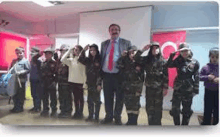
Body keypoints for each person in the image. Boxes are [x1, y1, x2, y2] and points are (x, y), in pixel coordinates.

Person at [100, 23, 132, 125]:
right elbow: (102, 58)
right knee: (107, 97)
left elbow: (132, 51)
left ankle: (117, 116)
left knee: (119, 98)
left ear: (119, 31)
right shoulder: (104, 44)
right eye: (112, 29)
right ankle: (108, 116)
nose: (114, 31)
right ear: (109, 32)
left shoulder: (126, 43)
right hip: (107, 75)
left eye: (116, 29)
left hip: (119, 75)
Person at [134, 42, 168, 125]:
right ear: (150, 50)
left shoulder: (163, 61)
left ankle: (157, 125)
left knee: (158, 108)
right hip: (149, 87)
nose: (155, 50)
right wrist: (143, 50)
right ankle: (150, 124)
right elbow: (136, 58)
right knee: (149, 107)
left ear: (159, 49)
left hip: (159, 88)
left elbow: (166, 75)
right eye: (153, 48)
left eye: (156, 48)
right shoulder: (146, 59)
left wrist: (165, 88)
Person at [167, 43, 200, 125]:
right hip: (178, 89)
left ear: (189, 51)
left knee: (187, 111)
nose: (184, 53)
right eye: (182, 51)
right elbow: (168, 65)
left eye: (186, 51)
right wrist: (172, 56)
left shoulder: (195, 62)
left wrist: (196, 89)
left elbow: (197, 76)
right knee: (175, 110)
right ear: (180, 52)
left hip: (188, 89)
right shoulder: (178, 61)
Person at [117, 46, 144, 125]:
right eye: (130, 53)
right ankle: (129, 121)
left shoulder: (139, 63)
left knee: (135, 106)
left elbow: (142, 79)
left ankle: (134, 122)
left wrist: (139, 90)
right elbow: (118, 65)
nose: (132, 54)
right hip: (126, 88)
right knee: (128, 105)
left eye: (134, 53)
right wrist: (122, 57)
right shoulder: (125, 62)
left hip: (136, 89)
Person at [61, 45, 87, 119]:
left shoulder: (83, 60)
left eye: (77, 50)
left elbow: (84, 73)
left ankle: (80, 113)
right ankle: (76, 112)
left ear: (81, 51)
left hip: (81, 82)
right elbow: (62, 59)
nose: (76, 51)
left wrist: (85, 83)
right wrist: (69, 50)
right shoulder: (72, 60)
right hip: (72, 82)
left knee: (81, 99)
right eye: (75, 50)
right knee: (75, 99)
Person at [78, 44, 102, 122]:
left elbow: (100, 73)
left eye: (94, 50)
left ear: (97, 51)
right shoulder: (88, 60)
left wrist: (99, 84)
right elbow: (80, 59)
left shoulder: (100, 60)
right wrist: (83, 50)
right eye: (91, 50)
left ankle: (97, 117)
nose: (92, 52)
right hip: (89, 83)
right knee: (90, 101)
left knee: (97, 101)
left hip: (97, 84)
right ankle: (91, 116)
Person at [200, 47, 219, 125]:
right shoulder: (205, 67)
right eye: (212, 57)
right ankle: (206, 125)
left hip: (218, 92)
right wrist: (207, 77)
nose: (214, 59)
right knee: (207, 110)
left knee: (217, 110)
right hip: (208, 92)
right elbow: (198, 77)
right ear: (210, 57)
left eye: (217, 57)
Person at [9, 47, 30, 113]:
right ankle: (15, 107)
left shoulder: (25, 61)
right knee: (14, 94)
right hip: (14, 80)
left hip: (21, 80)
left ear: (23, 52)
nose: (19, 54)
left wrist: (20, 72)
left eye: (20, 53)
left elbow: (28, 70)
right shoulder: (15, 61)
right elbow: (11, 69)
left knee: (20, 95)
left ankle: (20, 108)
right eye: (17, 53)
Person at [56, 44, 73, 118]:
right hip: (60, 81)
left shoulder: (69, 59)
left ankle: (68, 111)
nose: (62, 52)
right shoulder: (59, 60)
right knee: (61, 97)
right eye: (61, 51)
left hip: (67, 82)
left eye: (64, 51)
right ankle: (62, 110)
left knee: (67, 97)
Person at [40, 47, 57, 117]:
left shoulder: (55, 63)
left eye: (48, 54)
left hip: (51, 82)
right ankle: (45, 110)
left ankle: (54, 110)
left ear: (52, 55)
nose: (47, 55)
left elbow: (57, 73)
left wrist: (55, 82)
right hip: (44, 83)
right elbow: (41, 73)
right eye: (46, 54)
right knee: (44, 97)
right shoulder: (43, 63)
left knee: (53, 98)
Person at [29, 47, 43, 113]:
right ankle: (35, 106)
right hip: (32, 79)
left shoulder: (39, 61)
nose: (31, 53)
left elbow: (40, 71)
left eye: (32, 51)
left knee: (37, 94)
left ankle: (38, 108)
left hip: (38, 80)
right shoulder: (32, 60)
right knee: (33, 94)